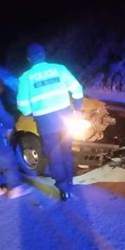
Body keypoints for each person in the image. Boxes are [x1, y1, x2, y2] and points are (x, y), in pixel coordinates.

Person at [17, 43, 83, 201]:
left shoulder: (25, 78)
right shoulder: (60, 69)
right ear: (44, 55)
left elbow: (23, 106)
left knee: (55, 155)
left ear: (28, 59)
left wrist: (32, 111)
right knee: (66, 151)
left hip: (46, 123)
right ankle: (70, 181)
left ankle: (63, 188)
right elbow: (77, 89)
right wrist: (78, 111)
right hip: (65, 118)